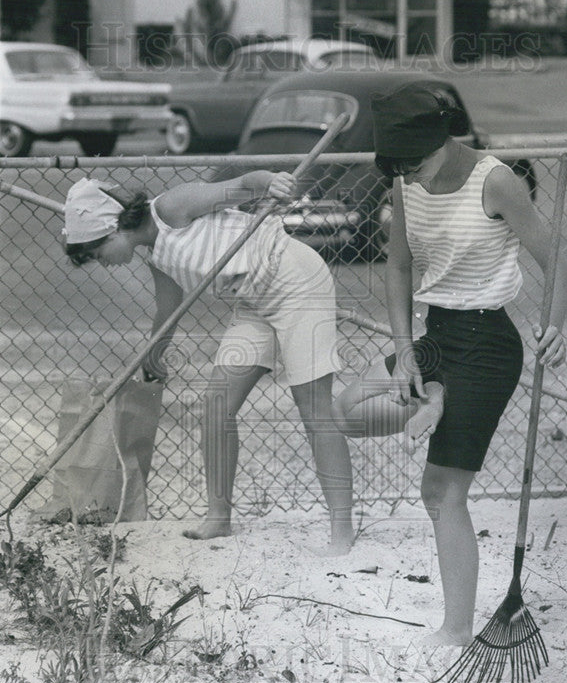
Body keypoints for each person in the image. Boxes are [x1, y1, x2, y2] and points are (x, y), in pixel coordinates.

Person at [333, 81, 567, 647]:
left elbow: (556, 259)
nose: (407, 178)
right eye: (397, 169)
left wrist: (556, 325)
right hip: (435, 333)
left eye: (412, 164)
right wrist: (405, 347)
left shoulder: (496, 181)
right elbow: (397, 269)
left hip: (488, 342)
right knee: (346, 411)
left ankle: (457, 628)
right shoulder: (403, 180)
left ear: (440, 140)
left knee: (440, 493)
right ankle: (432, 396)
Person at [62, 171, 355, 554]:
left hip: (294, 279)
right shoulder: (155, 254)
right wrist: (155, 353)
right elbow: (169, 308)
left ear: (113, 228)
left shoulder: (171, 207)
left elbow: (244, 185)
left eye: (100, 255)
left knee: (314, 409)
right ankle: (219, 517)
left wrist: (273, 182)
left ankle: (342, 528)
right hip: (253, 303)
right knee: (216, 405)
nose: (105, 265)